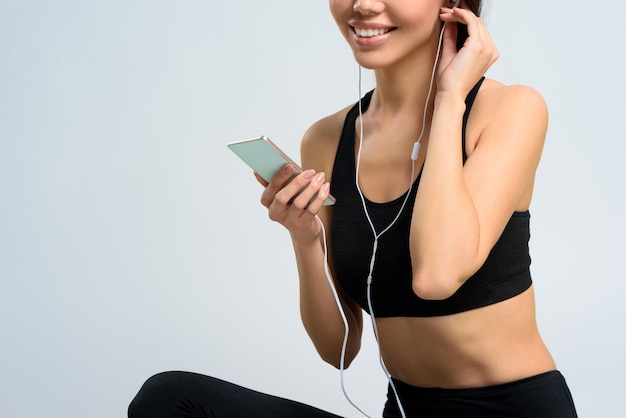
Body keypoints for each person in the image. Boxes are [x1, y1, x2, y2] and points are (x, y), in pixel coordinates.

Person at [129, 0, 578, 417]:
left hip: (512, 409)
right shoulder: (327, 139)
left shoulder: (509, 110)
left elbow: (437, 276)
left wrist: (449, 100)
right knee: (169, 400)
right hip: (403, 408)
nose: (363, 3)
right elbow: (339, 349)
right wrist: (306, 238)